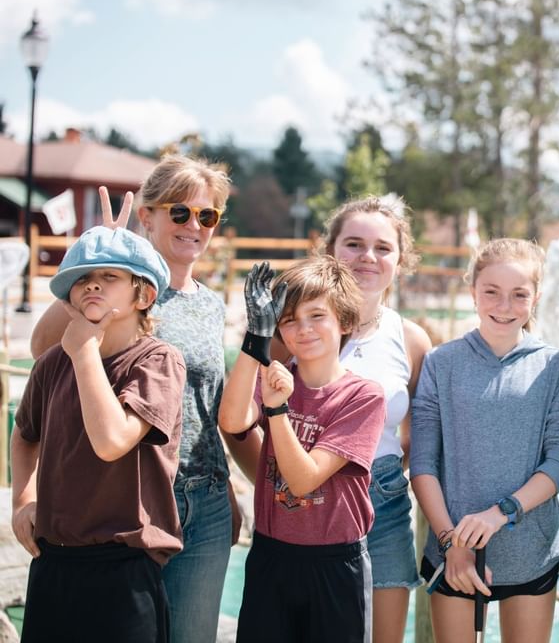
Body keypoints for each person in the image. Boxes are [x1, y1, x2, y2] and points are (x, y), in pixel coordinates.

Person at [29, 156, 261, 643]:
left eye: (208, 216)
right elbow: (44, 349)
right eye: (180, 212)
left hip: (208, 500)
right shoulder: (123, 294)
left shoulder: (210, 304)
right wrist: (97, 263)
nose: (193, 225)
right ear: (148, 216)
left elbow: (212, 410)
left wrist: (236, 494)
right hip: (137, 502)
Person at [11, 226, 185, 643]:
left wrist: (85, 351)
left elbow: (111, 441)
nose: (92, 284)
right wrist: (23, 499)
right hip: (55, 560)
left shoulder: (158, 361)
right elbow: (24, 434)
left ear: (143, 295)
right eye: (82, 279)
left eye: (110, 277)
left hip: (124, 567)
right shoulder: (53, 363)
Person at [410, 238, 559, 643]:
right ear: (472, 292)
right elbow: (422, 464)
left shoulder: (555, 366)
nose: (504, 306)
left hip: (532, 552)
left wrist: (500, 513)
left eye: (518, 295)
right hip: (454, 553)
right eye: (492, 292)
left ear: (535, 298)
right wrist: (451, 540)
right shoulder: (440, 362)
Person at [219, 256, 386, 643]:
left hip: (334, 565)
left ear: (344, 322)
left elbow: (303, 479)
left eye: (317, 316)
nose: (303, 328)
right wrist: (256, 339)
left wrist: (278, 410)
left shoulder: (363, 396)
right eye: (289, 319)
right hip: (271, 556)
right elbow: (231, 421)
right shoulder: (272, 376)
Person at [323, 195, 432, 643]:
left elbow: (419, 437)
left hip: (382, 503)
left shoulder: (410, 340)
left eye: (383, 247)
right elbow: (247, 419)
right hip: (308, 501)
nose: (368, 257)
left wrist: (382, 475)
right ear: (329, 250)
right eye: (353, 243)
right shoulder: (297, 327)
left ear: (400, 259)